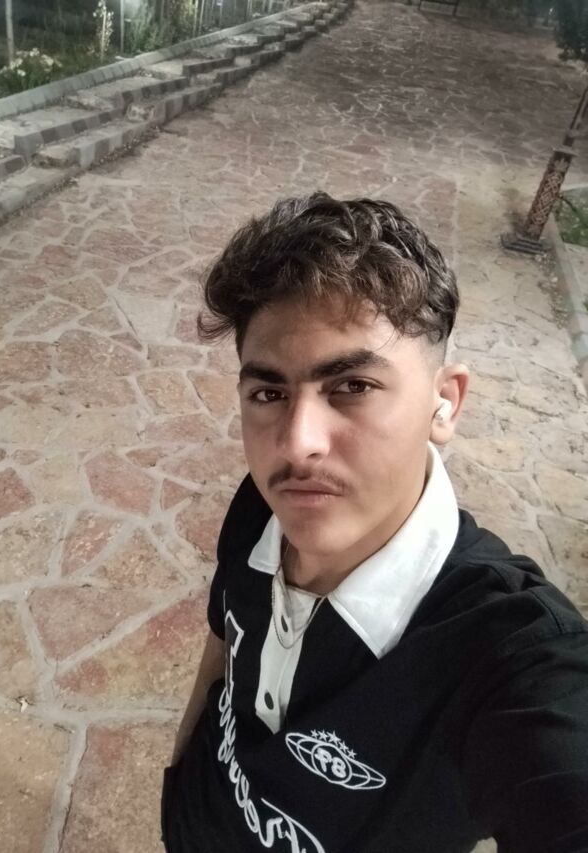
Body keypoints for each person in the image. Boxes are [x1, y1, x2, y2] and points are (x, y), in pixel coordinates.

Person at [160, 192, 588, 853]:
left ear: (445, 404)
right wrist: (177, 776)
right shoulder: (262, 506)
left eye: (352, 386)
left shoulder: (510, 653)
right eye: (269, 392)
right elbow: (225, 640)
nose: (297, 444)